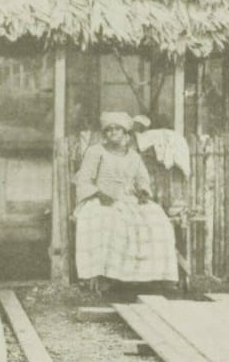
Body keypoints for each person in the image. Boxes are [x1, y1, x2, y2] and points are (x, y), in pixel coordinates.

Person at [74, 111, 178, 286]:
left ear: (125, 133)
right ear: (104, 134)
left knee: (156, 219)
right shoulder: (95, 152)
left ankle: (151, 275)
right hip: (100, 198)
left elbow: (142, 179)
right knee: (107, 221)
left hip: (128, 199)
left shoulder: (133, 156)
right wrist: (99, 195)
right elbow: (83, 180)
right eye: (109, 130)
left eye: (117, 129)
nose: (113, 133)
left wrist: (143, 193)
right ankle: (105, 274)